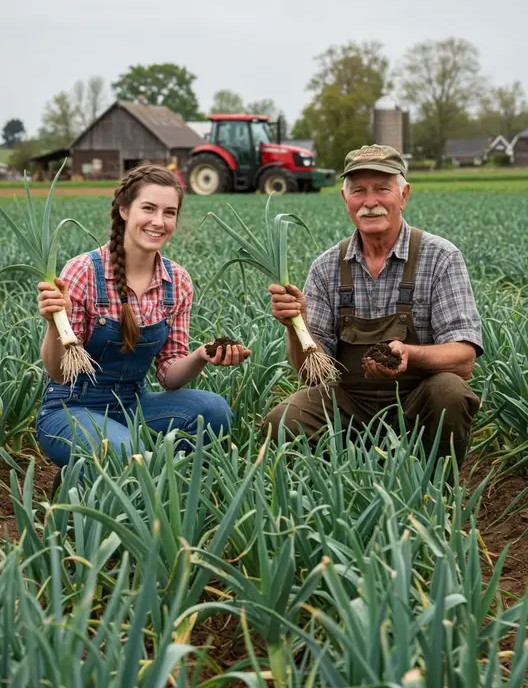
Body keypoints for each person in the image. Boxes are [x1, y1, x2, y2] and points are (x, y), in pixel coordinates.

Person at [265, 145, 483, 467]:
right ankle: (327, 499)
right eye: (359, 191)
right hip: (350, 403)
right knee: (282, 421)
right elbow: (312, 376)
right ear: (345, 199)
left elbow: (464, 359)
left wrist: (411, 355)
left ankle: (437, 491)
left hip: (417, 401)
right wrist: (295, 325)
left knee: (450, 392)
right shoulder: (326, 267)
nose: (370, 202)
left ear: (404, 194)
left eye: (382, 189)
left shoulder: (440, 257)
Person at [36, 163, 250, 469]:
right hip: (71, 408)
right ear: (124, 210)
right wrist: (53, 323)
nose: (158, 222)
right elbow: (59, 372)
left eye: (169, 212)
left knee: (213, 411)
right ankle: (123, 472)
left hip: (134, 403)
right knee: (126, 454)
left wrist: (201, 355)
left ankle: (168, 476)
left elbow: (169, 377)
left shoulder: (177, 281)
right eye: (148, 208)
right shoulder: (83, 271)